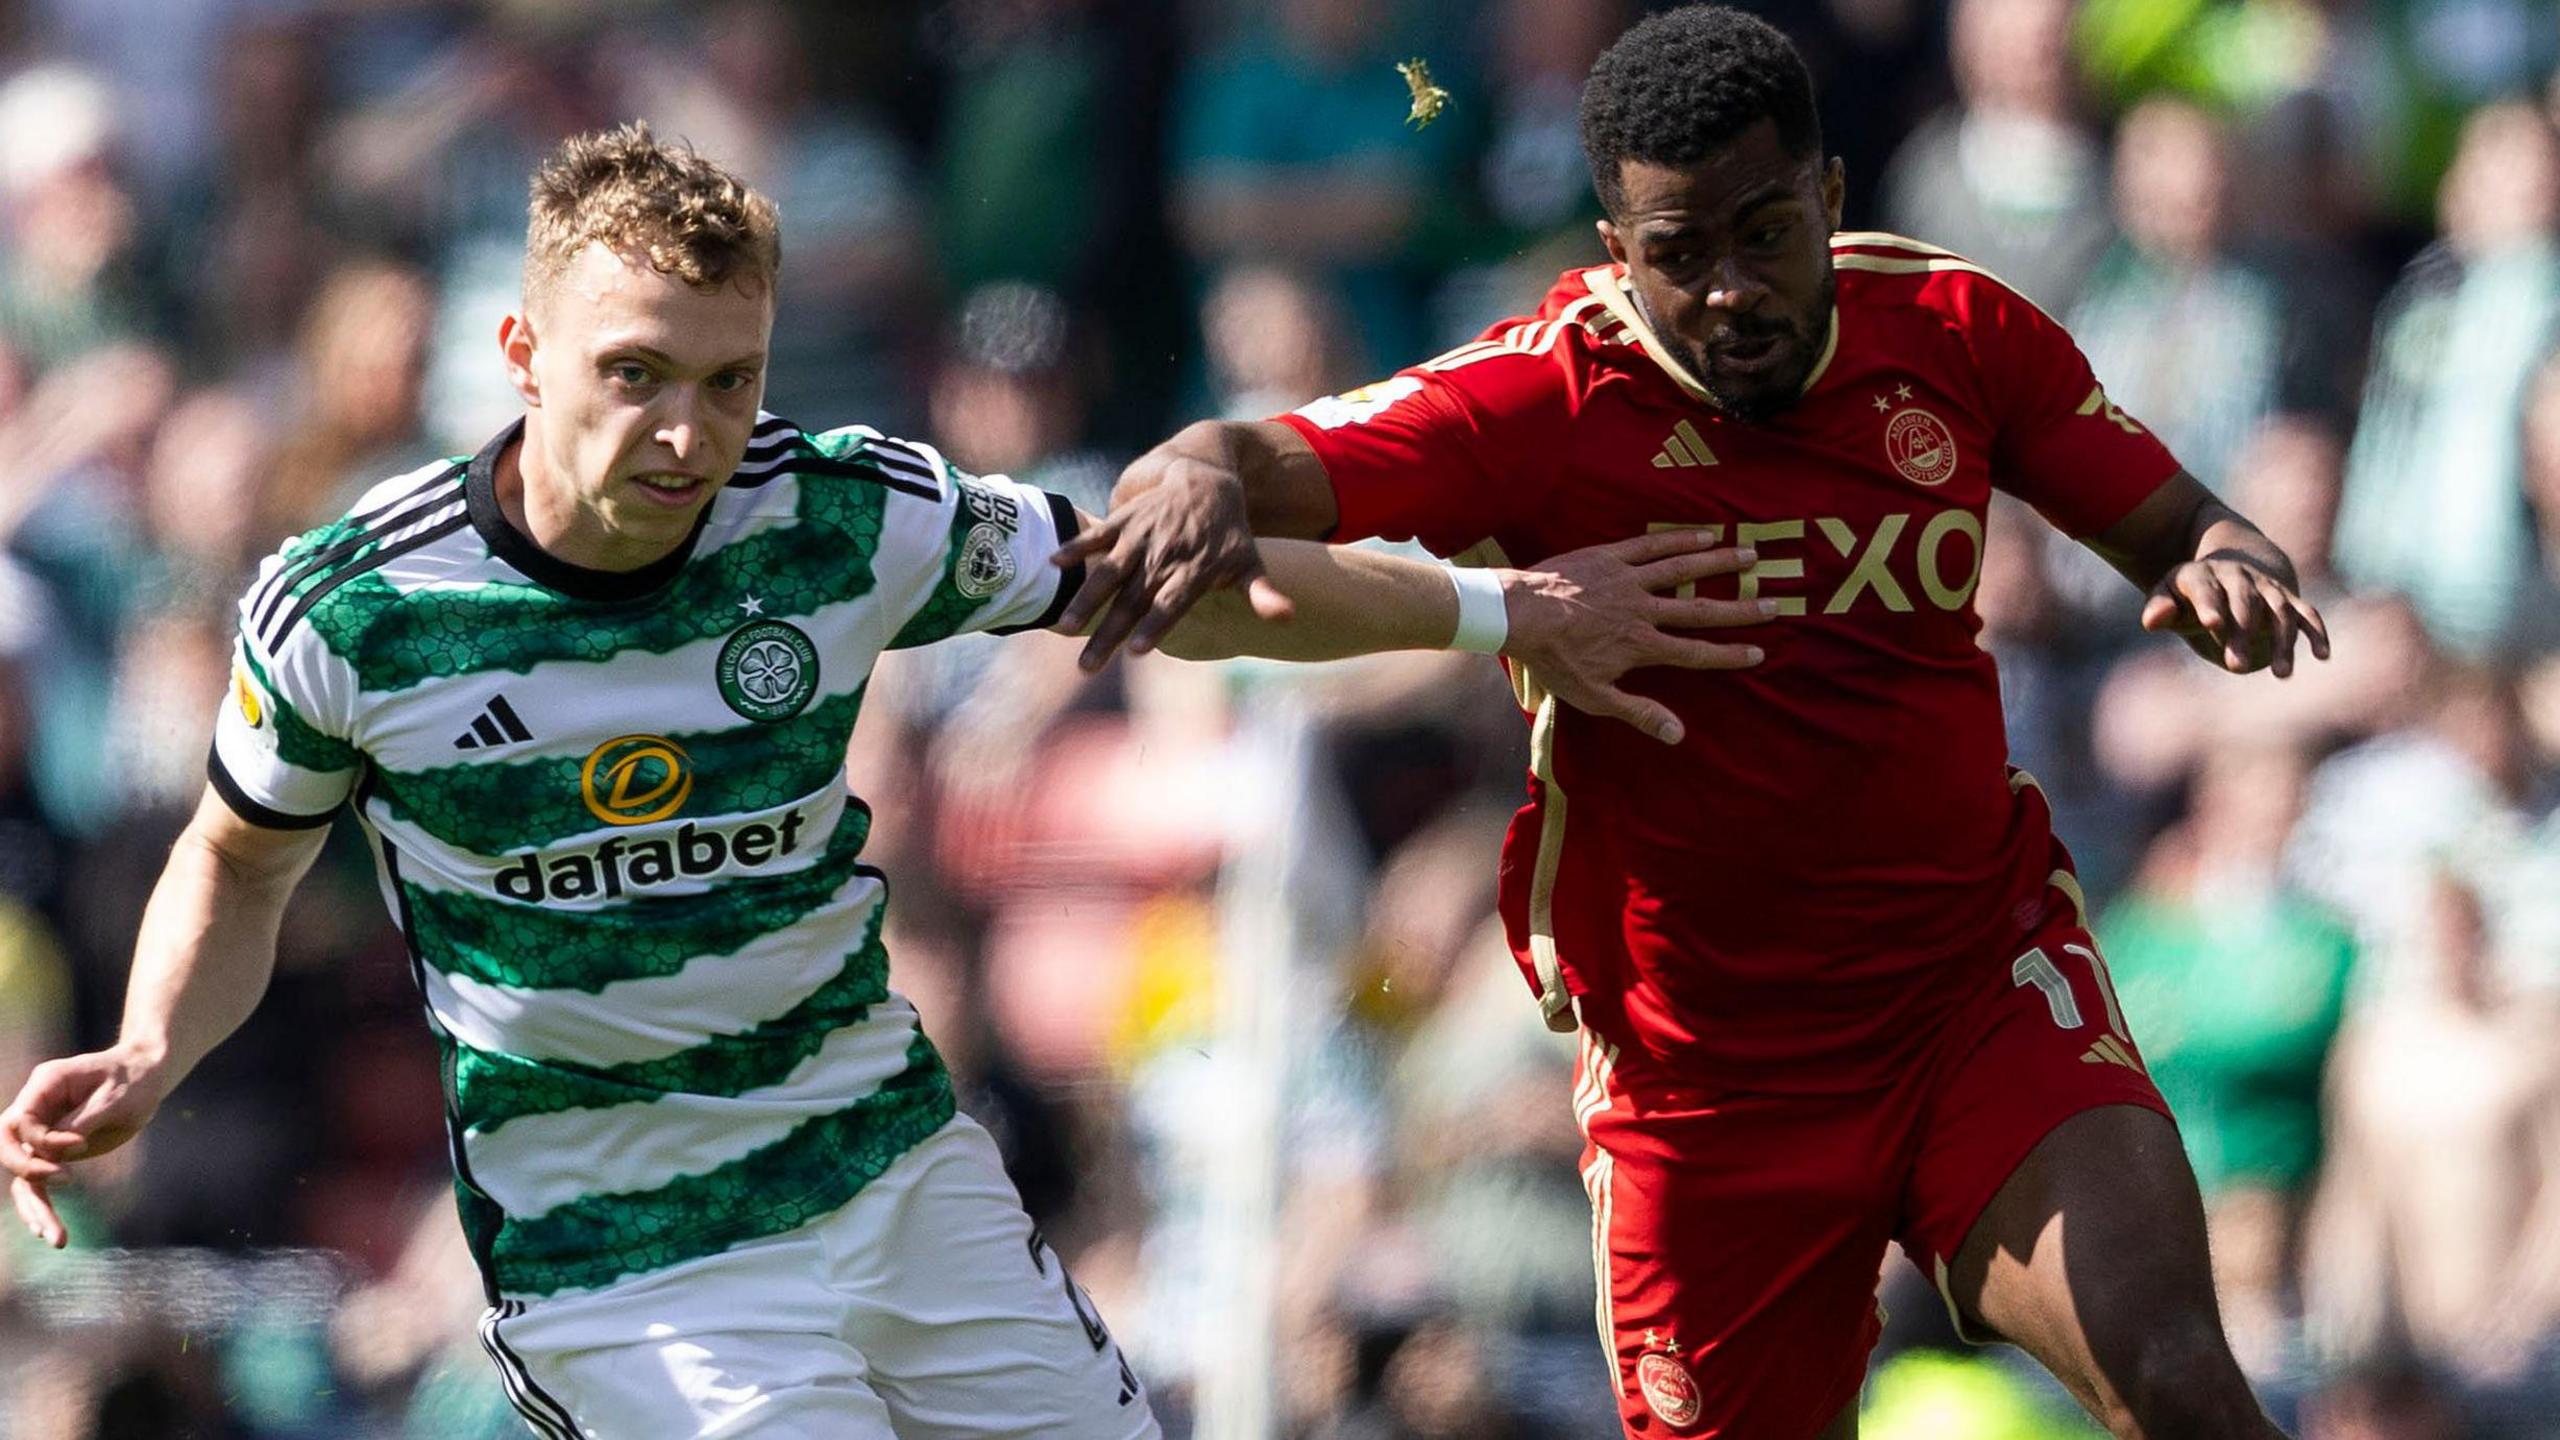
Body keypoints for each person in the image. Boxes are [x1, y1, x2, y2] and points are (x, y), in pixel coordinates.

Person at [0, 123, 1765, 1438]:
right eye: (633, 376)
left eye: (726, 376)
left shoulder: (843, 514)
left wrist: (1492, 607)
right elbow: (236, 866)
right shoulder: (358, 609)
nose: (688, 433)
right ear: (524, 355)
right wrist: (154, 1042)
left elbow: (1199, 590)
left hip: (895, 1174)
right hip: (627, 1247)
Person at [1059, 8, 2329, 1438]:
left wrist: (2230, 566)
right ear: (1617, 245)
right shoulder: (1542, 397)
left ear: (1831, 199)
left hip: (1972, 992)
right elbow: (1247, 460)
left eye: (1764, 232)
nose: (1728, 288)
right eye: (1676, 254)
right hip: (1706, 1089)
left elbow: (2186, 525)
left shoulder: (1956, 332)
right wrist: (1197, 471)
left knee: (2175, 1373)